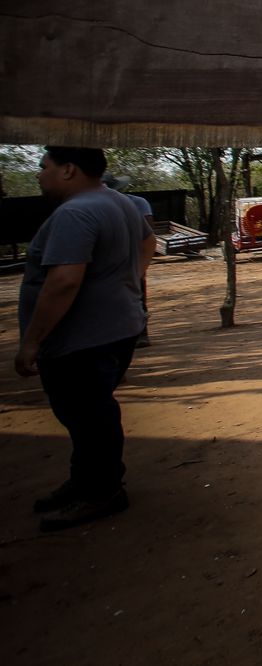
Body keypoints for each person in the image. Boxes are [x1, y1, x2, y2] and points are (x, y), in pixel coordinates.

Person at [15, 146, 154, 532]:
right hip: (118, 327)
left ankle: (102, 490)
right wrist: (125, 282)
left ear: (69, 169)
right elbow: (149, 243)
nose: (39, 174)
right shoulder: (122, 203)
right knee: (89, 413)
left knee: (87, 414)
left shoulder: (76, 212)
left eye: (44, 167)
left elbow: (63, 280)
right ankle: (85, 481)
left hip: (84, 336)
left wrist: (31, 342)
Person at [105, 174, 154, 347]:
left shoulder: (137, 203)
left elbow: (148, 233)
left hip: (132, 258)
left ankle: (141, 332)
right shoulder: (95, 207)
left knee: (137, 294)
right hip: (107, 261)